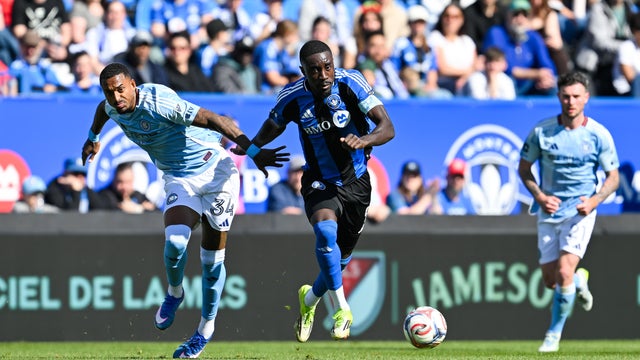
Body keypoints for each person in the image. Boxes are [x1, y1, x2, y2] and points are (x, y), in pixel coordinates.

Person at [81, 62, 288, 358]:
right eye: (109, 92)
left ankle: (205, 329)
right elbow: (102, 111)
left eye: (120, 89)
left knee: (211, 260)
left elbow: (213, 118)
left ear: (133, 85)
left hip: (216, 172)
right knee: (176, 242)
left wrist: (254, 151)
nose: (115, 98)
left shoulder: (161, 103)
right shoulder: (112, 106)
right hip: (179, 177)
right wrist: (93, 138)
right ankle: (175, 293)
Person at [233, 40, 394, 342]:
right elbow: (274, 124)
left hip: (357, 185)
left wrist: (366, 140)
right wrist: (253, 148)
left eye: (327, 66)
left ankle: (309, 300)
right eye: (315, 70)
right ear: (303, 71)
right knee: (324, 233)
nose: (323, 74)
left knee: (339, 261)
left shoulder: (351, 83)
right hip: (319, 182)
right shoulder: (293, 97)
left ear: (334, 64)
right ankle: (342, 310)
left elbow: (387, 127)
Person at [518, 71, 620, 353]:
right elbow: (524, 169)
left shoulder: (598, 134)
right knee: (552, 280)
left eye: (576, 96)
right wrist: (539, 196)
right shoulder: (542, 131)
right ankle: (578, 280)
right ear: (558, 97)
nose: (570, 101)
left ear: (586, 98)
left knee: (563, 269)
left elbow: (613, 177)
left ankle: (553, 334)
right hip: (549, 210)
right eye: (565, 96)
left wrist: (594, 201)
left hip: (580, 210)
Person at [483, 0, 557, 96]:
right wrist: (536, 74)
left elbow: (547, 64)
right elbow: (500, 65)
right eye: (516, 14)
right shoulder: (497, 33)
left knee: (551, 87)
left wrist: (546, 78)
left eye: (525, 14)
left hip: (528, 84)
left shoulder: (533, 37)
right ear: (507, 15)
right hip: (505, 82)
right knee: (504, 81)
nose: (520, 19)